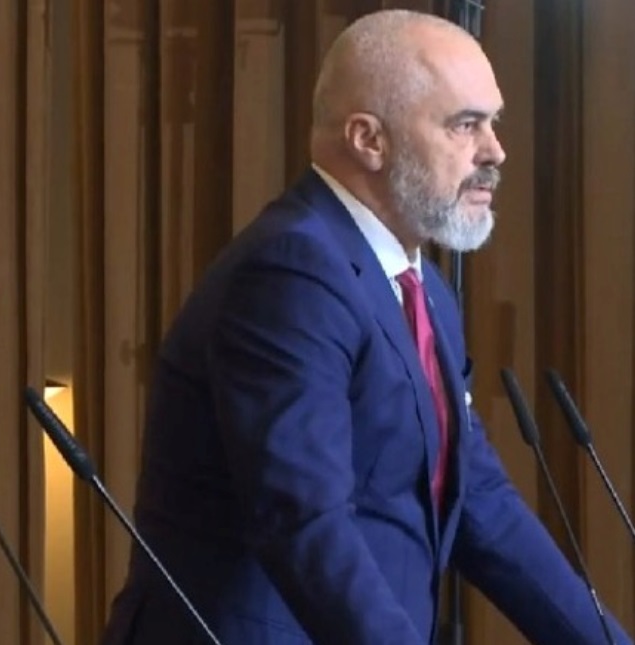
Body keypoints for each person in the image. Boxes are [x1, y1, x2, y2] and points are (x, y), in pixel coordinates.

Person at [100, 9, 630, 645]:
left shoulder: (426, 292)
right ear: (368, 139)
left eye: (493, 123)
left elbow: (481, 503)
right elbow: (306, 522)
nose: (495, 151)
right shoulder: (292, 272)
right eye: (465, 125)